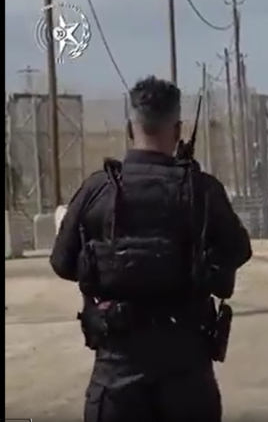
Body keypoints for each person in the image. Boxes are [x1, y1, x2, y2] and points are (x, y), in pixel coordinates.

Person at [49, 76, 252, 422]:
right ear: (178, 130)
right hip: (187, 371)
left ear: (131, 128)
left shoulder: (98, 190)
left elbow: (62, 262)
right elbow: (239, 251)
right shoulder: (201, 191)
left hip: (116, 372)